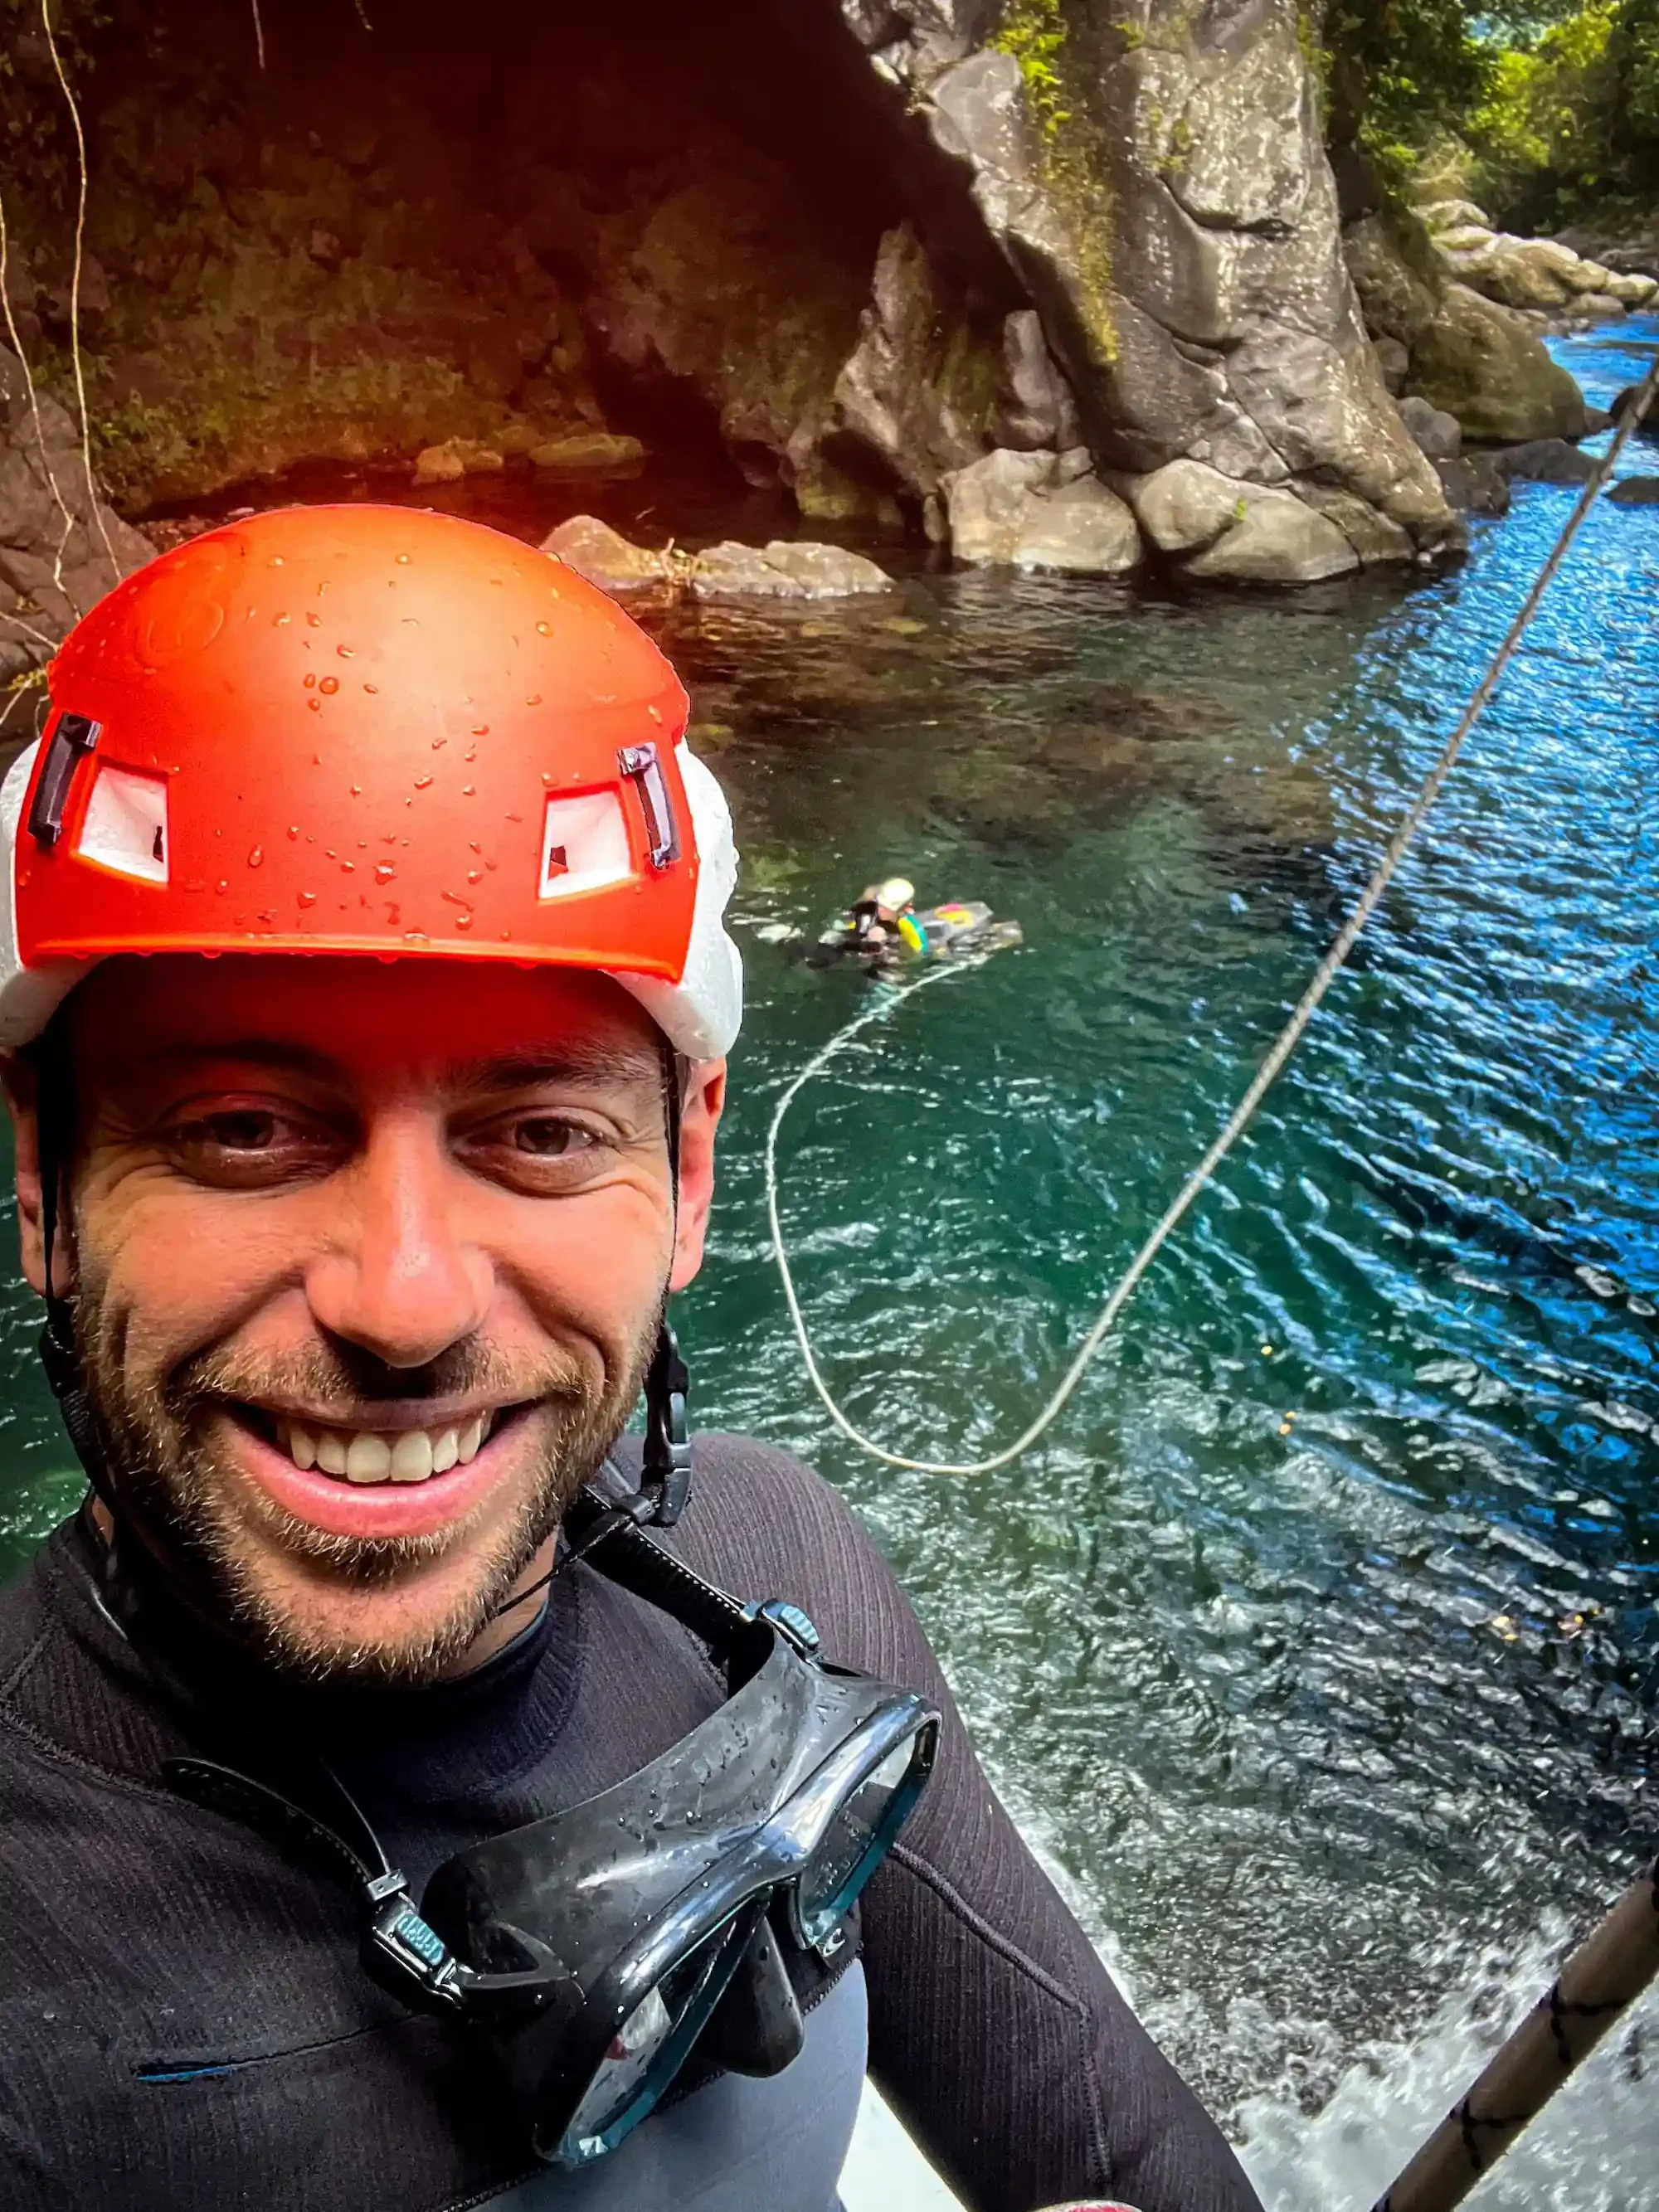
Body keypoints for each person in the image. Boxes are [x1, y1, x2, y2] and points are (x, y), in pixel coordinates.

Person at [0, 506, 1262, 2212]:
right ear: (41, 1188)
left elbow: (1122, 2164)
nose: (407, 1300)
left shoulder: (771, 1569)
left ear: (685, 1177)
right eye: (239, 1129)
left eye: (533, 1130)